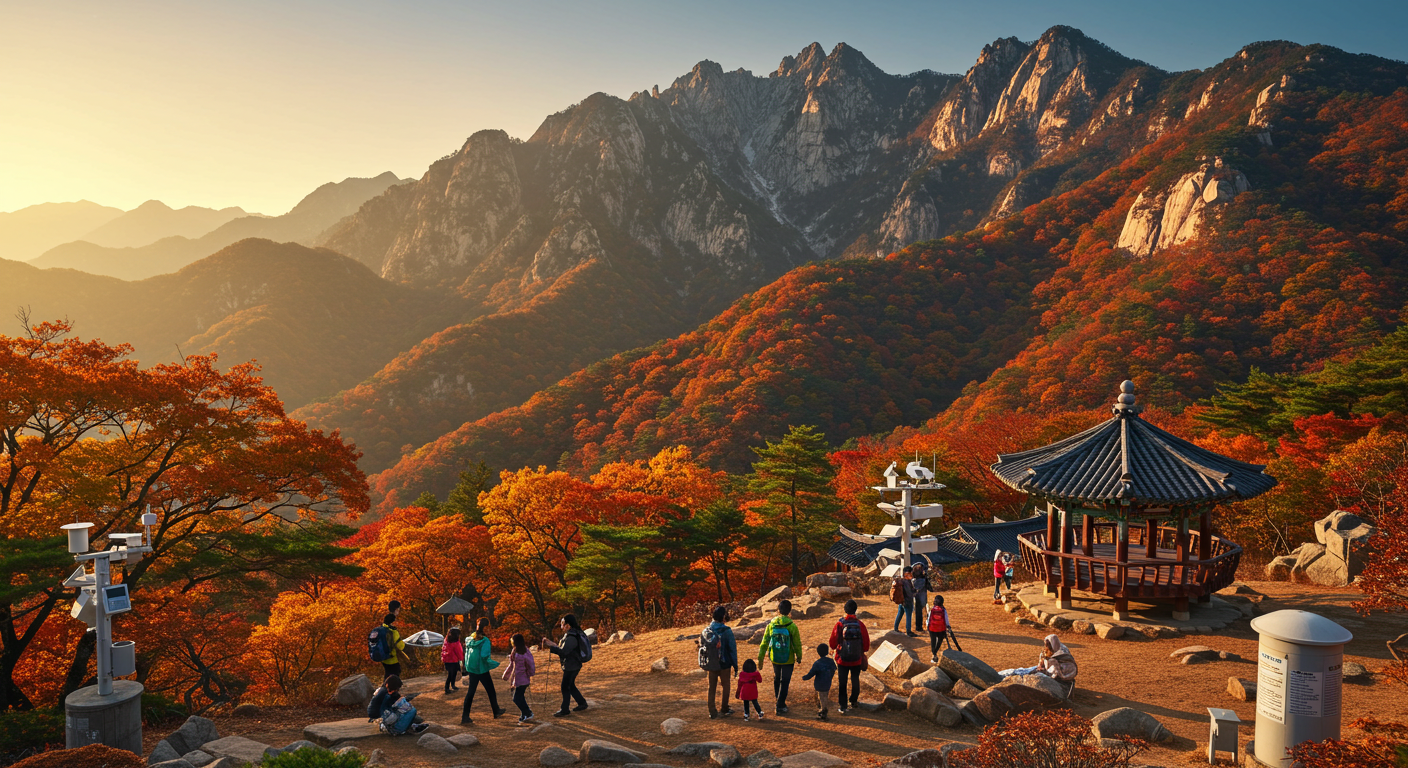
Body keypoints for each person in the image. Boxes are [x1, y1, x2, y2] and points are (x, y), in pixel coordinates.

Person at [757, 599, 803, 715]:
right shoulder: (792, 626)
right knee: (785, 681)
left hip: (775, 657)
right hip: (788, 658)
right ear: (790, 611)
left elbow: (764, 642)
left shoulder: (771, 624)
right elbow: (797, 643)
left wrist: (761, 658)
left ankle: (779, 700)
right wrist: (799, 656)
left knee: (777, 678)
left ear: (778, 610)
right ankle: (780, 704)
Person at [460, 617, 506, 725]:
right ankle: (496, 711)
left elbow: (467, 653)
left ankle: (465, 716)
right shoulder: (485, 640)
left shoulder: (470, 639)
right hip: (482, 669)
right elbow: (485, 656)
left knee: (471, 693)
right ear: (487, 628)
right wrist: (494, 663)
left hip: (472, 669)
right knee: (490, 690)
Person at [542, 613, 590, 717]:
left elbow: (564, 651)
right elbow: (563, 648)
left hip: (572, 665)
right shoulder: (573, 634)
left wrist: (552, 649)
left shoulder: (571, 636)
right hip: (573, 664)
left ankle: (565, 709)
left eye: (562, 624)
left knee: (565, 686)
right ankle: (582, 703)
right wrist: (550, 644)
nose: (561, 626)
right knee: (570, 685)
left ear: (568, 625)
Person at [827, 598, 870, 714]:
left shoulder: (840, 623)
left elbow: (833, 641)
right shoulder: (860, 624)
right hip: (857, 658)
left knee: (843, 682)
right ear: (855, 610)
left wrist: (834, 648)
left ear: (845, 610)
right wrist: (862, 651)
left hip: (842, 659)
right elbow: (866, 644)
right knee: (855, 679)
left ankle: (843, 706)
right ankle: (854, 700)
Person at [701, 605, 738, 719]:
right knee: (725, 685)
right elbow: (732, 648)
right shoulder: (726, 631)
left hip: (711, 663)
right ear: (723, 617)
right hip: (724, 663)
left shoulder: (706, 631)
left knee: (712, 687)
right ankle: (724, 708)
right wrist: (735, 665)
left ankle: (712, 711)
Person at [998, 634, 1079, 684]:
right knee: (1019, 671)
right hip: (1045, 671)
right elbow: (1041, 663)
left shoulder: (1062, 654)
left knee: (1027, 677)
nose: (1046, 647)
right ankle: (1000, 675)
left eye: (1048, 645)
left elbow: (1059, 673)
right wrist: (1040, 667)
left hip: (1057, 675)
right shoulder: (1046, 651)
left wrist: (1044, 671)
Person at [501, 632, 536, 723]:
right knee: (520, 697)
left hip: (523, 679)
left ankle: (528, 712)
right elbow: (512, 664)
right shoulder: (515, 651)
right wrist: (506, 675)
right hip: (516, 679)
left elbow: (530, 664)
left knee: (516, 698)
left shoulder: (525, 652)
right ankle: (524, 713)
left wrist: (530, 673)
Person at [801, 643, 837, 721]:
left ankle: (823, 712)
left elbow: (811, 673)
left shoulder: (817, 663)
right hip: (827, 682)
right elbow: (834, 669)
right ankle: (823, 710)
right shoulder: (830, 661)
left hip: (819, 683)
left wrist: (805, 677)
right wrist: (830, 676)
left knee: (821, 698)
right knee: (825, 696)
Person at [379, 613, 407, 679]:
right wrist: (404, 644)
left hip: (382, 656)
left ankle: (385, 687)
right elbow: (400, 646)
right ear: (392, 622)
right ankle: (390, 688)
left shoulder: (381, 629)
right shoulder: (393, 631)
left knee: (388, 672)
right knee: (396, 672)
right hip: (391, 657)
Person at [926, 595, 951, 663]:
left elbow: (928, 620)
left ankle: (934, 654)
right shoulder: (943, 610)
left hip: (932, 629)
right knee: (939, 641)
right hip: (941, 629)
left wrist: (928, 627)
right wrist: (948, 627)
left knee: (933, 641)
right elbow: (946, 620)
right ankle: (936, 651)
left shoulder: (932, 610)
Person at [892, 566, 916, 636]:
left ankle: (895, 628)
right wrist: (915, 593)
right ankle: (908, 631)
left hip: (901, 601)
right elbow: (909, 593)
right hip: (907, 601)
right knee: (908, 616)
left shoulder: (901, 580)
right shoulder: (907, 582)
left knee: (900, 614)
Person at [441, 626, 464, 694]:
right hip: (453, 660)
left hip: (447, 660)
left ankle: (451, 686)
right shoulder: (456, 643)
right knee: (452, 674)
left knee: (451, 674)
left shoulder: (446, 641)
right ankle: (448, 688)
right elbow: (459, 652)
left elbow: (443, 650)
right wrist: (461, 658)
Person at [911, 562, 929, 628]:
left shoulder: (913, 581)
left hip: (916, 598)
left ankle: (918, 627)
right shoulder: (924, 580)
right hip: (923, 598)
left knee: (918, 613)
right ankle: (922, 626)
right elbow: (929, 587)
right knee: (923, 612)